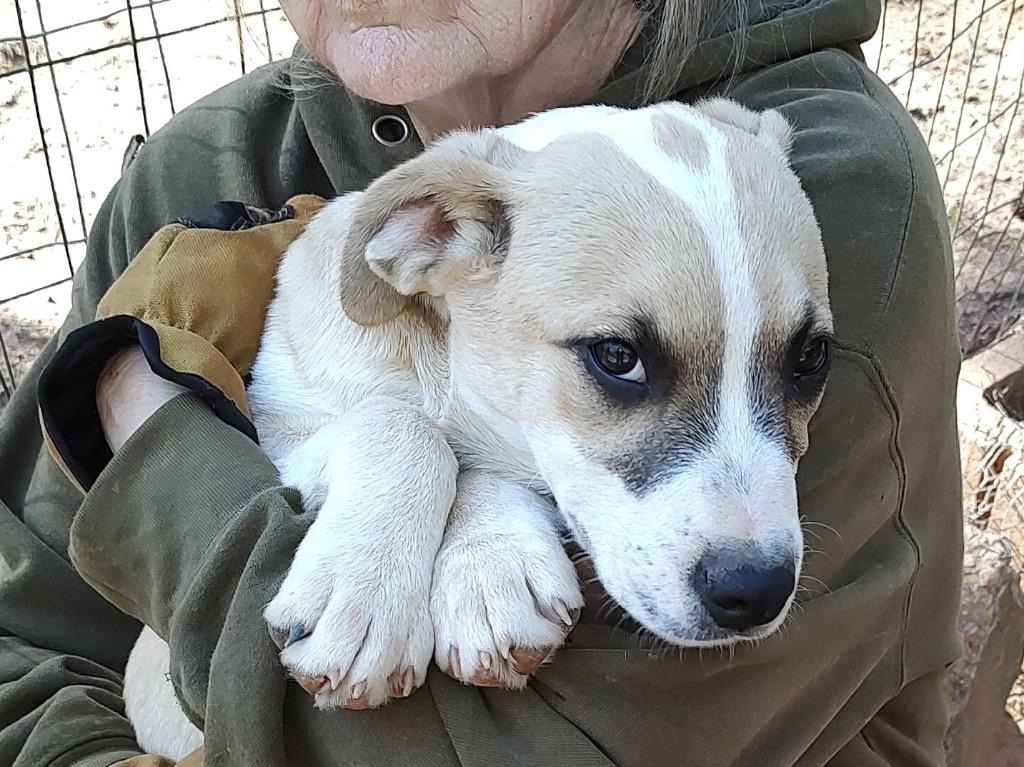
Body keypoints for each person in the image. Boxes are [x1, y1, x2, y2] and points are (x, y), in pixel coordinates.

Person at [0, 0, 963, 765]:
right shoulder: (201, 172)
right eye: (619, 358)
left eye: (801, 366)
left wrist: (143, 415)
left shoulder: (795, 181)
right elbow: (25, 640)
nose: (755, 537)